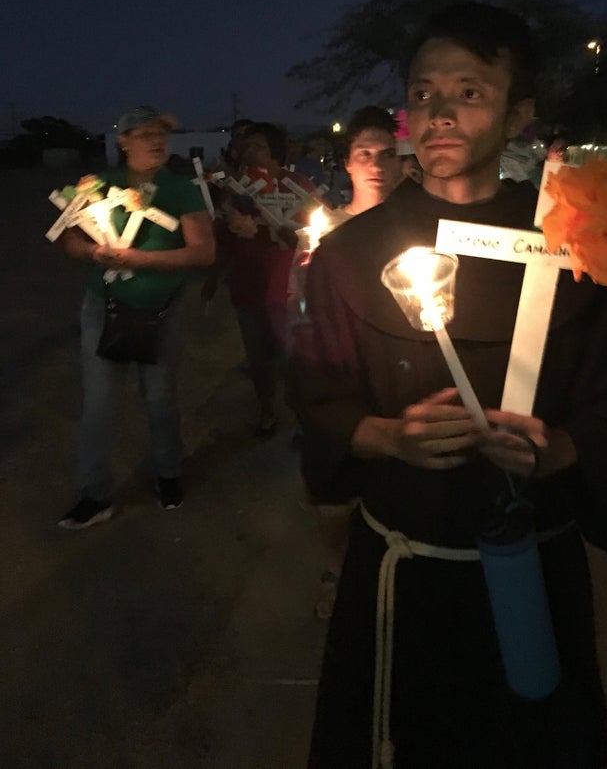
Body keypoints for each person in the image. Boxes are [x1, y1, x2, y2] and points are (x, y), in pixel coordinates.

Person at [288, 3, 607, 767]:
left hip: (532, 565)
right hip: (405, 563)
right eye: (423, 95)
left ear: (519, 113)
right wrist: (385, 435)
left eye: (470, 92)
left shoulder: (579, 245)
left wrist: (559, 452)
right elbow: (317, 389)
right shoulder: (353, 254)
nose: (441, 114)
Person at [58, 105, 215, 529]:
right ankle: (95, 494)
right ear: (123, 141)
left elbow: (204, 251)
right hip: (103, 309)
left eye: (161, 133)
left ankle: (168, 474)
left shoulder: (180, 189)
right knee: (99, 404)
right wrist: (94, 252)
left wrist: (142, 260)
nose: (156, 140)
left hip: (162, 311)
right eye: (144, 133)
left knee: (160, 397)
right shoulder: (98, 185)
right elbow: (69, 239)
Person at [292, 105, 403, 619]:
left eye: (388, 154)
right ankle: (337, 571)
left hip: (397, 373)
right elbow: (297, 308)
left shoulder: (418, 226)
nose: (377, 164)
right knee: (332, 486)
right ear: (348, 164)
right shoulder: (327, 232)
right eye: (365, 154)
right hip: (338, 369)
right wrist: (308, 275)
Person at [204, 122, 318, 438]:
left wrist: (287, 233)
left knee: (293, 359)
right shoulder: (237, 188)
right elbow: (223, 239)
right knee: (258, 359)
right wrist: (213, 277)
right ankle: (267, 411)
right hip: (248, 286)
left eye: (258, 146)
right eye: (247, 145)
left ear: (275, 153)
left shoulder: (300, 187)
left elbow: (318, 235)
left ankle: (303, 419)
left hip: (288, 289)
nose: (249, 151)